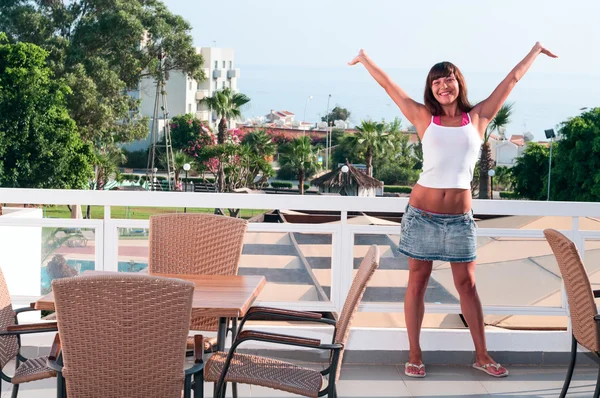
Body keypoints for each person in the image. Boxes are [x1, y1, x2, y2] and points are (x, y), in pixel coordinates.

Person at [349, 42, 557, 378]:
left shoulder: (478, 118)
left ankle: (482, 355)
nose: (443, 86)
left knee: (468, 286)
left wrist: (535, 51)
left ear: (459, 83)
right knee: (417, 282)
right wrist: (365, 59)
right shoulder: (422, 117)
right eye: (436, 82)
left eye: (448, 80)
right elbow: (389, 86)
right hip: (421, 215)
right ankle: (415, 354)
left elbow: (512, 81)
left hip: (459, 221)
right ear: (430, 89)